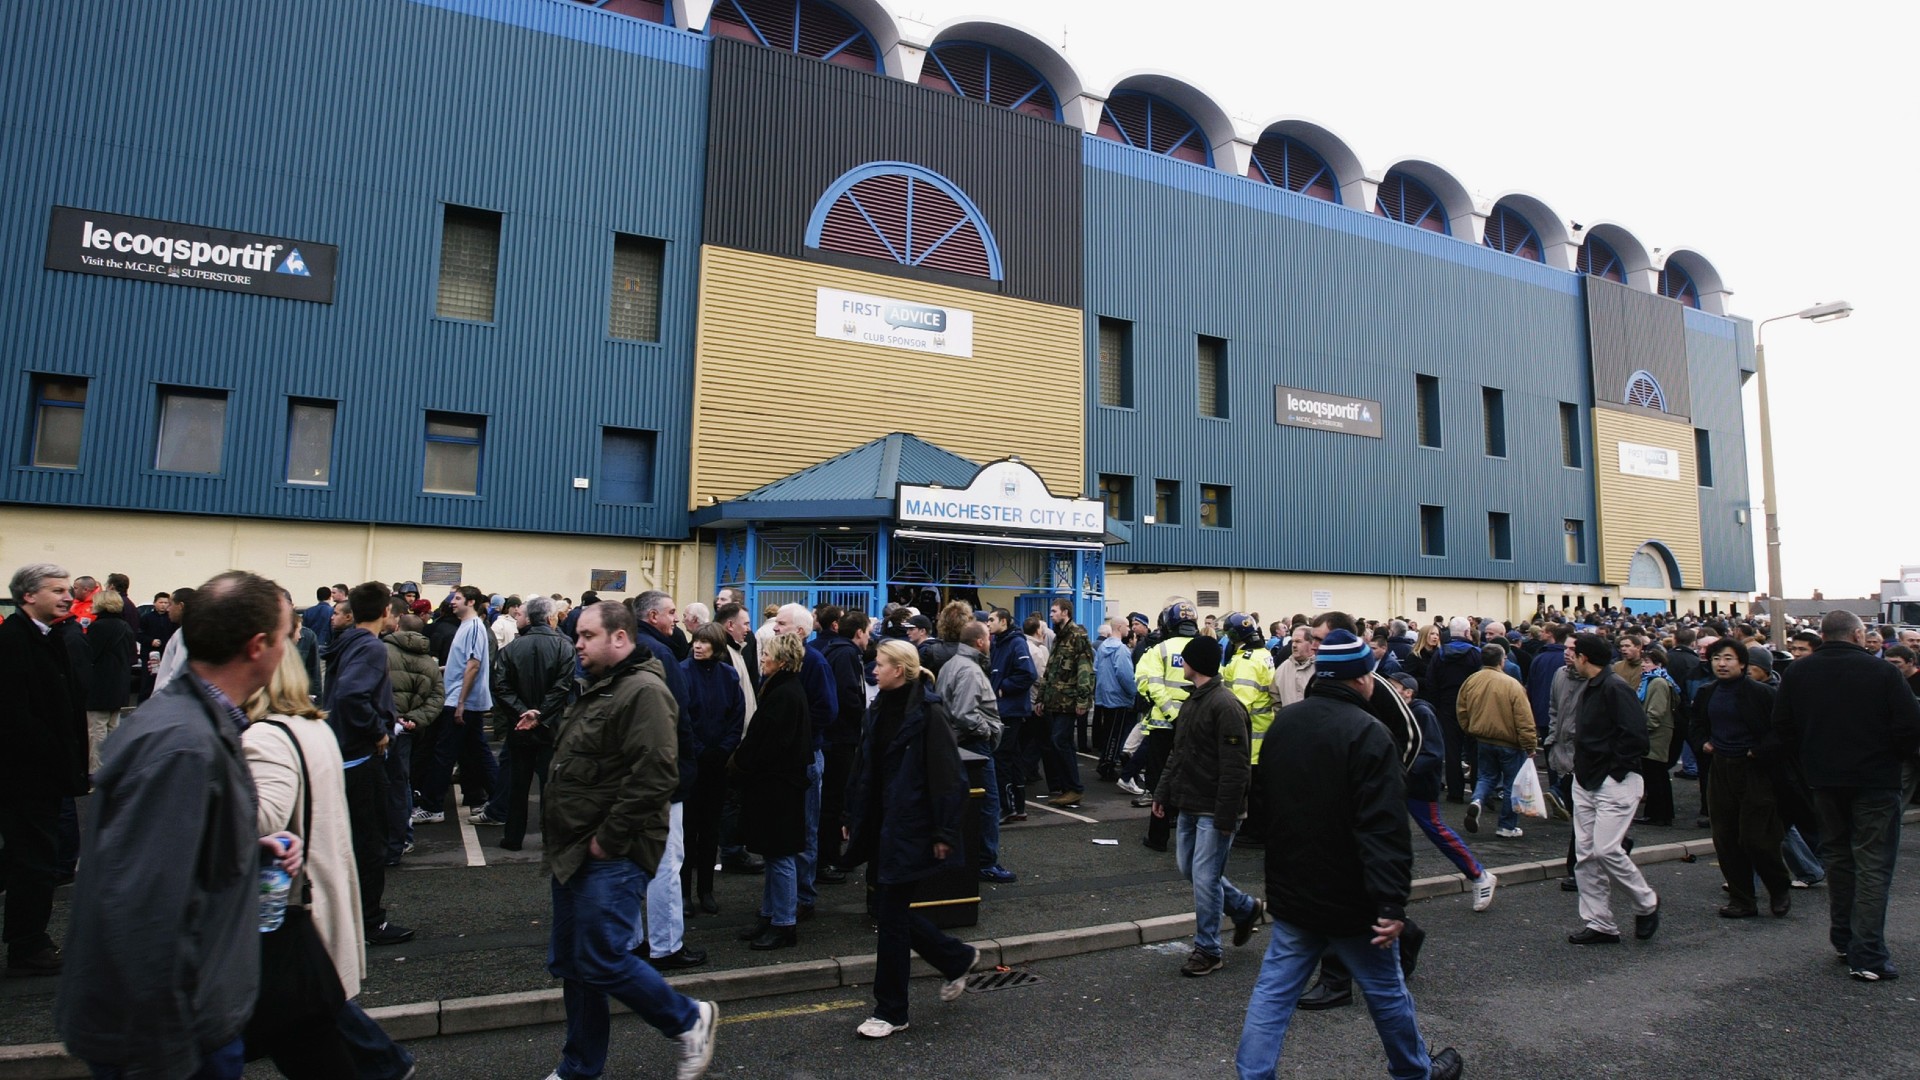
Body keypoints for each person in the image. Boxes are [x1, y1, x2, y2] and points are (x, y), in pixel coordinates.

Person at [56, 571, 305, 1077]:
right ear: (259, 646)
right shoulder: (185, 746)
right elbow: (142, 912)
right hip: (171, 1037)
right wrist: (164, 1058)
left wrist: (243, 848)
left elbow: (167, 860)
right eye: (285, 637)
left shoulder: (188, 724)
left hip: (180, 1023)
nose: (289, 650)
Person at [1235, 629, 1463, 1080]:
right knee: (1385, 990)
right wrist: (1391, 900)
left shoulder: (1287, 724)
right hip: (1353, 896)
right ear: (1362, 679)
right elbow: (1383, 828)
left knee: (1273, 993)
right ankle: (1414, 1071)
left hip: (1294, 887)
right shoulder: (1369, 733)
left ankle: (1253, 1074)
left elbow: (1270, 807)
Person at [542, 600, 717, 1080]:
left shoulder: (643, 690)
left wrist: (609, 838)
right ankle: (579, 1067)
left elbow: (656, 774)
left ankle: (687, 1019)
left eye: (586, 635)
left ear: (620, 637)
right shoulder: (599, 687)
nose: (577, 644)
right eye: (577, 635)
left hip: (609, 849)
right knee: (575, 965)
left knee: (600, 957)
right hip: (573, 848)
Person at [244, 644, 414, 1077]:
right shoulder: (314, 728)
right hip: (324, 888)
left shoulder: (265, 736)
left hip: (292, 900)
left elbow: (262, 818)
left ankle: (386, 1063)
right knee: (315, 1010)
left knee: (305, 1009)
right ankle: (386, 1062)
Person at [836, 640, 980, 1039]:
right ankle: (956, 957)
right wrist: (850, 813)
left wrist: (945, 831)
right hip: (882, 824)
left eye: (880, 664)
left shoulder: (928, 714)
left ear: (899, 669)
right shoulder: (879, 707)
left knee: (892, 916)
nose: (873, 670)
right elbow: (863, 765)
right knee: (890, 911)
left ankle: (892, 1009)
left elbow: (949, 776)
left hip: (910, 826)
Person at [1773, 610, 1920, 981]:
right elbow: (1909, 727)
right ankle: (1868, 953)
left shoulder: (1798, 672)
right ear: (1857, 635)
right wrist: (1891, 759)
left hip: (1823, 779)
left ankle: (1844, 938)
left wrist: (1810, 763)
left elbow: (1783, 728)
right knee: (1872, 864)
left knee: (1838, 858)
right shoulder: (1883, 672)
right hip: (1874, 780)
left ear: (1823, 635)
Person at [1151, 636, 1262, 977]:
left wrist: (1227, 816)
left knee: (1204, 877)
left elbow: (1236, 767)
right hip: (1189, 803)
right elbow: (1178, 753)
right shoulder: (1194, 702)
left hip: (1214, 810)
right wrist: (1162, 793)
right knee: (1193, 872)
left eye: (1184, 660)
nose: (1180, 664)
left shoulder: (1225, 706)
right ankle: (1244, 909)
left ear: (1194, 664)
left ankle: (1209, 949)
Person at [1, 565, 88, 977]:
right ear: (28, 596)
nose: (67, 596)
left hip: (44, 772)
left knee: (29, 857)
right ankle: (27, 946)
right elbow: (16, 714)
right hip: (27, 775)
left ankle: (27, 940)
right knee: (33, 860)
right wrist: (54, 754)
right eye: (56, 590)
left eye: (68, 589)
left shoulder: (50, 638)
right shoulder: (14, 642)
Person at [325, 582, 412, 947]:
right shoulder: (372, 647)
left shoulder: (347, 641)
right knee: (370, 842)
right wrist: (378, 730)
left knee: (353, 841)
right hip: (361, 757)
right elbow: (351, 694)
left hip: (343, 754)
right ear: (385, 613)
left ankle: (352, 915)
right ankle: (370, 922)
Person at [1566, 633, 1661, 945]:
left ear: (1583, 658)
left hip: (1612, 781)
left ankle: (1646, 902)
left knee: (1606, 850)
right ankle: (1600, 924)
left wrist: (1614, 771)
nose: (1568, 657)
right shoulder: (1594, 686)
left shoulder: (1614, 687)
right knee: (1586, 856)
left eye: (1572, 652)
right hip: (1587, 779)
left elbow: (1636, 737)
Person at [1692, 638, 1792, 917]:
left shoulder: (1761, 694)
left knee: (1756, 838)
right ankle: (1742, 899)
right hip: (1721, 768)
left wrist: (1758, 752)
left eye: (1728, 658)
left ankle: (1778, 886)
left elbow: (1781, 731)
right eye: (1715, 659)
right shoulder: (1707, 692)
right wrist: (1704, 742)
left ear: (1743, 663)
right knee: (1725, 837)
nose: (1721, 664)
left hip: (1754, 770)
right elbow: (1696, 724)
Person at [731, 632, 813, 951]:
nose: (762, 658)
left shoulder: (784, 694)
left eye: (767, 654)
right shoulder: (784, 690)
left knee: (779, 857)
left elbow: (768, 744)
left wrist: (741, 763)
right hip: (777, 788)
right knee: (774, 854)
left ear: (782, 660)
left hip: (778, 789)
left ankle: (783, 924)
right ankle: (769, 916)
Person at [1391, 672, 1496, 912]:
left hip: (1419, 785)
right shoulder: (1401, 712)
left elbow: (1434, 753)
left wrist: (1402, 770)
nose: (1391, 692)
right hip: (1400, 783)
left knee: (1437, 831)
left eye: (1395, 687)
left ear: (1409, 692)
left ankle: (1479, 875)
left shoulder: (1421, 713)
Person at [488, 596, 576, 852]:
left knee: (518, 785)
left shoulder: (510, 650)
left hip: (520, 727)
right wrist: (541, 714)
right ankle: (551, 838)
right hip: (552, 726)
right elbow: (563, 687)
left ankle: (513, 837)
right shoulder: (564, 647)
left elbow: (500, 687)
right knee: (552, 786)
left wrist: (524, 713)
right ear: (550, 618)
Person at [934, 620, 1011, 882]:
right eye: (988, 637)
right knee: (989, 803)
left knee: (969, 802)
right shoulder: (970, 670)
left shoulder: (951, 665)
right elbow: (965, 713)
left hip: (958, 741)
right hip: (973, 742)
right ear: (979, 642)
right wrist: (988, 731)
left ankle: (972, 859)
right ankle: (986, 861)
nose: (991, 642)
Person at [415, 585, 499, 823]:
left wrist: (460, 702)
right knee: (477, 753)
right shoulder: (466, 626)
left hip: (460, 700)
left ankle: (432, 807)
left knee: (444, 753)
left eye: (459, 598)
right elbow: (463, 664)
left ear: (471, 602)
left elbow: (473, 665)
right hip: (461, 698)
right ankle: (502, 803)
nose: (453, 601)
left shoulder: (472, 627)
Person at [680, 624, 744, 916]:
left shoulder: (728, 675)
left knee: (710, 832)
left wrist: (723, 749)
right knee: (687, 831)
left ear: (716, 646)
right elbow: (681, 718)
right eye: (696, 641)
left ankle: (706, 890)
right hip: (692, 765)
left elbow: (736, 716)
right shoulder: (682, 673)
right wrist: (700, 750)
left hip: (718, 765)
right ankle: (683, 893)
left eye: (705, 642)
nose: (698, 646)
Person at [1134, 602, 1199, 851]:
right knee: (1192, 779)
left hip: (1163, 726)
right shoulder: (1204, 647)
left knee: (1159, 781)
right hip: (1195, 726)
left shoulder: (1159, 649)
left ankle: (1157, 837)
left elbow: (1148, 684)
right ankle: (1189, 837)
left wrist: (1172, 715)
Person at [1457, 643, 1538, 839]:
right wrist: (1530, 744)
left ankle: (1477, 800)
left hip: (1483, 739)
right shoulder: (1511, 684)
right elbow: (1524, 717)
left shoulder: (1471, 680)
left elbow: (1462, 709)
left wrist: (1470, 729)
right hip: (1509, 742)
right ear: (1502, 660)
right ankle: (1506, 826)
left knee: (1486, 776)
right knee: (1511, 783)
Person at [381, 613, 441, 866]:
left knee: (382, 785)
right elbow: (437, 698)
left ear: (396, 627)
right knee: (400, 784)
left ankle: (387, 840)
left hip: (383, 727)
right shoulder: (429, 662)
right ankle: (403, 838)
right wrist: (415, 718)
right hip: (407, 730)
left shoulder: (381, 651)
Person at [1217, 613, 1275, 845]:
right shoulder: (1262, 654)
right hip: (1263, 729)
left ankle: (1254, 832)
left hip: (1250, 734)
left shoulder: (1245, 661)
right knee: (1258, 786)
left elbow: (1240, 702)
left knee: (1252, 788)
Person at [1038, 598, 1095, 806]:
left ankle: (1074, 788)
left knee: (1059, 740)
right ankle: (1068, 787)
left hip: (1070, 699)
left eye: (1054, 611)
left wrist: (1083, 699)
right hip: (1056, 700)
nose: (1051, 614)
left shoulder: (1077, 635)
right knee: (1063, 743)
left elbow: (1085, 669)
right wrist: (1041, 697)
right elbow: (1050, 669)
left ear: (1065, 612)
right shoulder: (1059, 637)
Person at [987, 607, 1038, 823]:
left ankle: (1007, 808)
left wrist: (1004, 687)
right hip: (1005, 709)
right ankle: (1018, 807)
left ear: (1004, 622)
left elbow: (1028, 673)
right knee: (1013, 757)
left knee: (1002, 758)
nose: (988, 623)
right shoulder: (999, 642)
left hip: (1010, 711)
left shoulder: (1016, 643)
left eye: (992, 620)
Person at [82, 586, 137, 774]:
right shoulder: (125, 626)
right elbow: (132, 656)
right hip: (120, 683)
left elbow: (90, 655)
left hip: (100, 685)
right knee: (114, 727)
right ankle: (115, 767)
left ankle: (96, 770)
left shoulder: (98, 627)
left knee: (96, 730)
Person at [1092, 616, 1138, 783]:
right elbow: (1125, 675)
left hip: (1105, 696)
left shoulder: (1103, 647)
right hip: (1119, 697)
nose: (1129, 629)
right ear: (1119, 627)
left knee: (1108, 732)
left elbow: (1096, 669)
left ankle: (1105, 762)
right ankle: (1107, 766)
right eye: (1127, 626)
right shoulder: (1121, 649)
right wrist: (1133, 692)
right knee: (1116, 735)